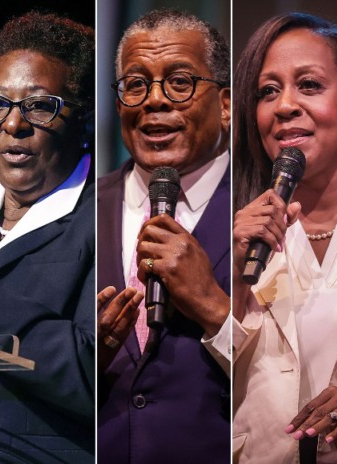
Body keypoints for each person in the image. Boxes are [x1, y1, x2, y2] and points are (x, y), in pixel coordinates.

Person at [96, 9, 231, 463]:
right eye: (135, 84)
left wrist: (215, 309)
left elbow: (308, 378)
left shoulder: (276, 209)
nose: (154, 100)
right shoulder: (76, 211)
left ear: (226, 104)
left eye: (179, 82)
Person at [0, 12, 95, 463]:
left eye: (39, 106)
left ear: (86, 119)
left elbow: (95, 376)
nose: (12, 124)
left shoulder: (110, 219)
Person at [231, 13, 337, 462]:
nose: (284, 105)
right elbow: (203, 379)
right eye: (268, 91)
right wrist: (232, 281)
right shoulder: (235, 232)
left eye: (308, 85)